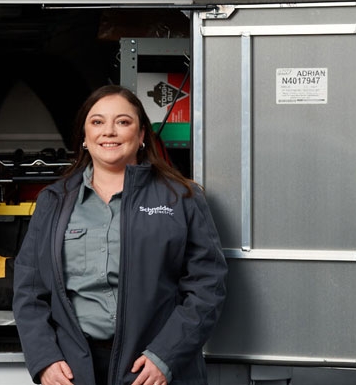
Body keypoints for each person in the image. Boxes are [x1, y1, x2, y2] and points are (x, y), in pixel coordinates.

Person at [13, 85, 227, 385]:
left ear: (141, 136)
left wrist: (167, 355)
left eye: (123, 122)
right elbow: (29, 291)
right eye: (97, 122)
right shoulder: (54, 201)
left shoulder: (181, 198)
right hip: (75, 370)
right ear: (84, 138)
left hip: (152, 369)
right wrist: (45, 358)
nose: (109, 132)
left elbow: (208, 286)